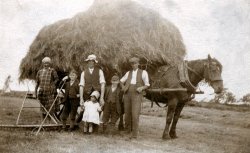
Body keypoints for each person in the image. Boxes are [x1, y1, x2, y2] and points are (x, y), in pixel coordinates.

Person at [120, 57, 150, 139]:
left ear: (138, 64)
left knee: (135, 114)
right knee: (127, 113)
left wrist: (141, 88)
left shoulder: (143, 72)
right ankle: (127, 130)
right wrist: (123, 87)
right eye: (132, 64)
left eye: (135, 63)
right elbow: (121, 81)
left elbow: (147, 85)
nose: (133, 65)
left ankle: (134, 134)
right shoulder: (128, 73)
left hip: (137, 94)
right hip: (127, 93)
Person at [35, 57, 59, 122]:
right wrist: (35, 92)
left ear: (49, 63)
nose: (46, 64)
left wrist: (53, 85)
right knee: (43, 107)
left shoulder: (52, 71)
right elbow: (37, 83)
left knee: (50, 107)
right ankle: (43, 121)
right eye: (45, 63)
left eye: (47, 63)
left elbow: (56, 79)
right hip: (42, 92)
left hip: (50, 92)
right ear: (43, 63)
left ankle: (49, 121)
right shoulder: (39, 72)